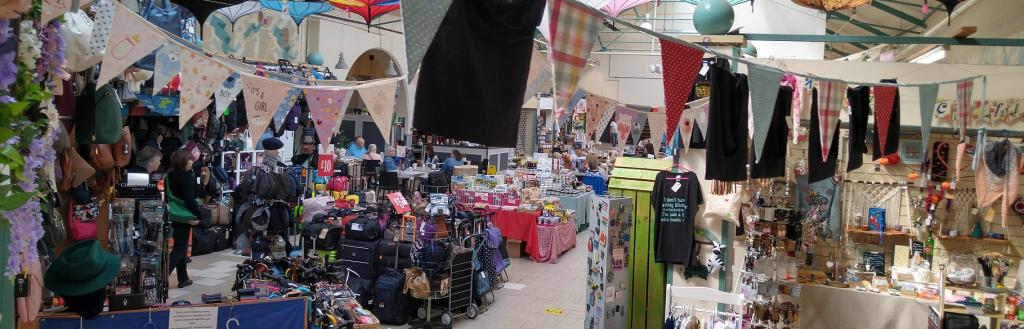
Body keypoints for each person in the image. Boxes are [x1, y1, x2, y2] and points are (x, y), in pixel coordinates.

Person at [165, 149, 202, 288]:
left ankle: (183, 278)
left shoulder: (169, 175)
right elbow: (189, 198)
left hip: (175, 214)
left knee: (181, 245)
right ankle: (162, 277)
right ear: (183, 161)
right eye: (190, 159)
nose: (192, 162)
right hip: (185, 214)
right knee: (180, 248)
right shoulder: (186, 176)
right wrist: (197, 214)